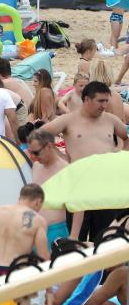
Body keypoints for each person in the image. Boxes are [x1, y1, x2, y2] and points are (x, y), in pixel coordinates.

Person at [39, 81, 128, 240]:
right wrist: (61, 158)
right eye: (100, 101)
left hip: (105, 186)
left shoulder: (110, 120)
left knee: (105, 238)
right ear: (86, 99)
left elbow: (126, 137)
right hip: (79, 184)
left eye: (106, 101)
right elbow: (41, 134)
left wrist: (120, 156)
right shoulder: (69, 120)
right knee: (76, 239)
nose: (104, 105)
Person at [0, 184, 50, 276]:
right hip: (16, 273)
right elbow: (43, 256)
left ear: (20, 198)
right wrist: (49, 288)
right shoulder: (38, 220)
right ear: (38, 202)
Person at [27, 128, 72, 246]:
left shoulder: (65, 169)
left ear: (49, 146)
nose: (34, 157)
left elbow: (79, 205)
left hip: (56, 231)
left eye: (36, 153)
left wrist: (75, 235)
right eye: (31, 153)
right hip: (34, 230)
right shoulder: (36, 166)